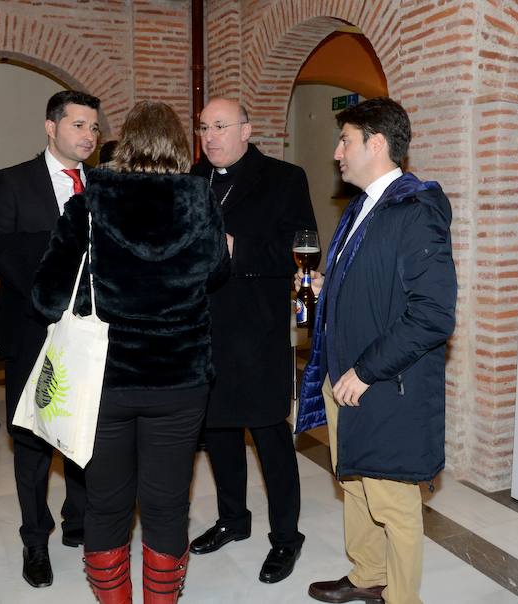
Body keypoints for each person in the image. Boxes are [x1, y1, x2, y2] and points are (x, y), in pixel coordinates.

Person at [32, 100, 229, 604]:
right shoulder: (201, 200)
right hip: (181, 381)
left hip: (105, 382)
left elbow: (46, 297)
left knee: (106, 505)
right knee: (166, 506)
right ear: (179, 146)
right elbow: (215, 275)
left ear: (124, 144)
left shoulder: (89, 201)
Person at [297, 97, 457, 604]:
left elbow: (432, 313)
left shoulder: (415, 210)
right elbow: (379, 283)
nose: (337, 152)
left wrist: (365, 371)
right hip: (349, 376)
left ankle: (402, 597)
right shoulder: (365, 206)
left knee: (393, 501)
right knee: (358, 484)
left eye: (345, 140)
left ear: (377, 143)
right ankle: (369, 575)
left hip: (387, 382)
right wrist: (331, 285)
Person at [187, 97, 317, 584]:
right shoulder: (193, 182)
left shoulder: (284, 178)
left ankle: (286, 538)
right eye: (203, 127)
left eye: (220, 126)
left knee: (270, 437)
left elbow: (302, 250)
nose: (210, 136)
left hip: (258, 332)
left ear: (246, 130)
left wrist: (235, 248)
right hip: (204, 330)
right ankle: (232, 520)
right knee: (218, 431)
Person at [0, 90, 100, 588]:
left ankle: (80, 521)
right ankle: (35, 538)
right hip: (33, 331)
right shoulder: (14, 181)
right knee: (31, 441)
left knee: (83, 434)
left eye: (94, 127)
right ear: (51, 128)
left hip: (92, 335)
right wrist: (52, 272)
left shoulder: (104, 182)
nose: (89, 136)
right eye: (78, 125)